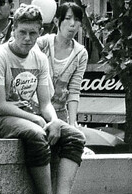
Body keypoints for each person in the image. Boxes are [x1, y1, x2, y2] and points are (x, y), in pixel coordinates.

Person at [0, 4, 86, 194]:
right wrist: (37, 119)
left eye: (33, 33)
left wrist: (54, 120)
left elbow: (46, 102)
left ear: (40, 31)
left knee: (76, 137)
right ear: (13, 30)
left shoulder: (39, 57)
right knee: (36, 135)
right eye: (22, 32)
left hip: (28, 114)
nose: (27, 38)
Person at [36, 2, 90, 130]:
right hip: (35, 111)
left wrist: (72, 124)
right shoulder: (42, 43)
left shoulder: (81, 53)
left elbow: (74, 90)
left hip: (60, 112)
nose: (72, 24)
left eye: (77, 20)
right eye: (67, 18)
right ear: (56, 21)